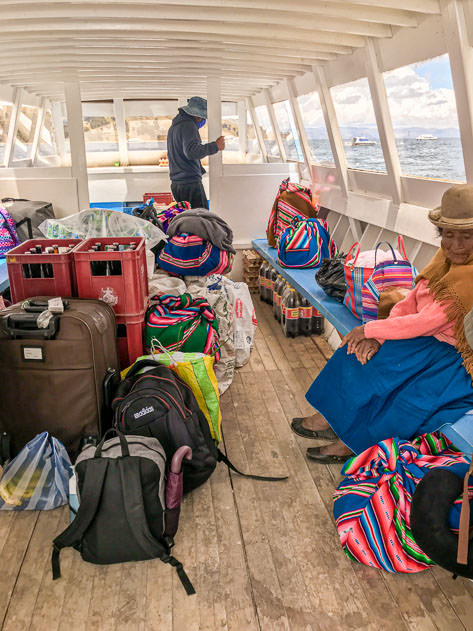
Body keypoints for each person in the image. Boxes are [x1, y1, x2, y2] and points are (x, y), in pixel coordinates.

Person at [291, 184, 473, 464]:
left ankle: (352, 443)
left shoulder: (468, 278)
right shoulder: (444, 259)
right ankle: (331, 419)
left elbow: (429, 321)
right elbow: (412, 300)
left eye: (467, 236)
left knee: (396, 384)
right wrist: (377, 336)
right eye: (449, 234)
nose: (456, 245)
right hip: (423, 338)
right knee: (355, 352)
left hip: (451, 357)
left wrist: (370, 329)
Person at [167, 96, 225, 209]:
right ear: (197, 115)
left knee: (187, 219)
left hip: (177, 184)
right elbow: (192, 152)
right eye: (202, 117)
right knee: (201, 218)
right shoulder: (188, 125)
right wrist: (216, 146)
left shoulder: (175, 126)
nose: (202, 121)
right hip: (189, 184)